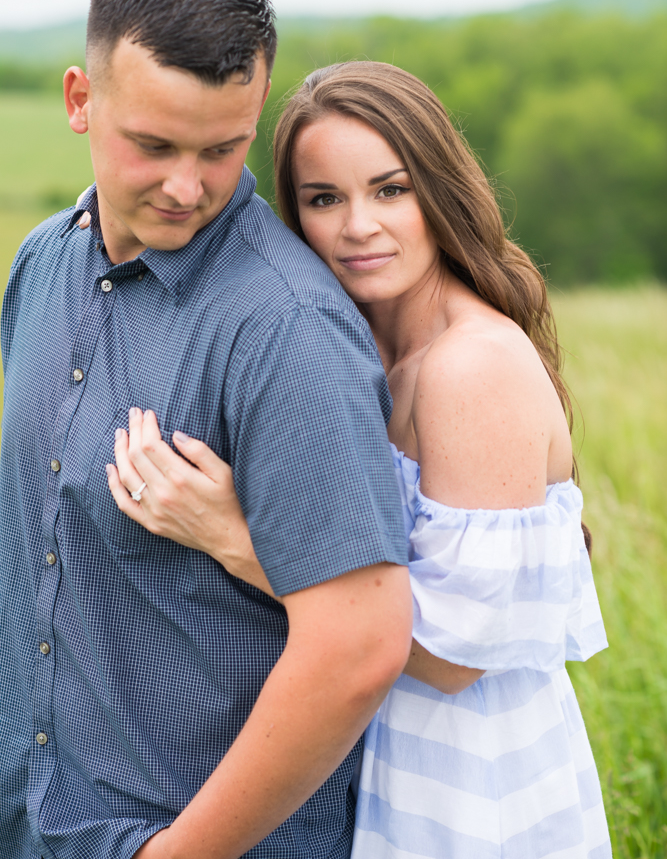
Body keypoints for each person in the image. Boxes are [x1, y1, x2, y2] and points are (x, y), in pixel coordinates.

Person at [110, 62, 612, 859]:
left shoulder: (470, 366)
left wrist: (237, 540)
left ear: (439, 190)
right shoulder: (356, 349)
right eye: (323, 199)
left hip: (465, 793)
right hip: (365, 765)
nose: (357, 227)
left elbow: (452, 663)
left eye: (390, 190)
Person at [0, 0, 415, 859]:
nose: (188, 187)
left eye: (222, 149)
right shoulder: (39, 264)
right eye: (154, 146)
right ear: (80, 101)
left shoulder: (288, 329)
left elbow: (360, 644)